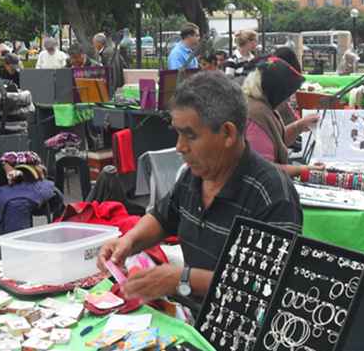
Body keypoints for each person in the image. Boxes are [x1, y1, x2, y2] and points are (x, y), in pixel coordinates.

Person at [96, 72, 301, 301]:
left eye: (190, 136)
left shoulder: (271, 193)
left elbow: (267, 283)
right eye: (178, 134)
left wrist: (181, 279)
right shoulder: (193, 177)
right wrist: (128, 242)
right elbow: (163, 218)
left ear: (227, 133)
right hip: (191, 315)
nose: (179, 147)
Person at [243, 58, 320, 177]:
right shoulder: (255, 114)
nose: (288, 99)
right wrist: (303, 170)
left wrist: (298, 126)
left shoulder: (262, 107)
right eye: (287, 94)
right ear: (277, 91)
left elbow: (277, 142)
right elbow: (262, 168)